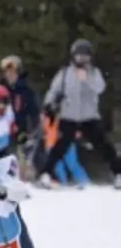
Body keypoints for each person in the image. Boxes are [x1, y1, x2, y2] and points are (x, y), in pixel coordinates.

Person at [42, 39, 121, 187]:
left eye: (85, 56)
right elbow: (54, 90)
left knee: (102, 144)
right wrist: (49, 104)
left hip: (89, 116)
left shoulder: (94, 73)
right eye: (79, 56)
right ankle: (46, 173)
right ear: (73, 56)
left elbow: (100, 88)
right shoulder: (65, 73)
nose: (82, 59)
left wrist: (87, 79)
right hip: (69, 116)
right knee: (61, 145)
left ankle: (118, 172)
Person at [0, 56, 39, 145]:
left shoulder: (26, 92)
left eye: (12, 71)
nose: (9, 74)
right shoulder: (0, 91)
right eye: (7, 72)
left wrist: (31, 133)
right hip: (1, 137)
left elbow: (34, 115)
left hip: (21, 137)